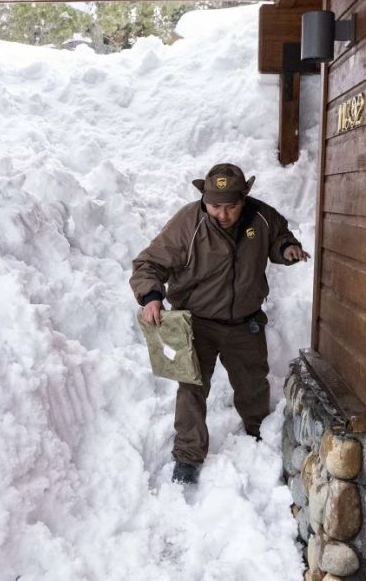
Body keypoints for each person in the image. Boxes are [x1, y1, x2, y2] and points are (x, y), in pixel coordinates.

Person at [130, 163, 310, 484]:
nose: (222, 215)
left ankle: (259, 433)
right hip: (196, 324)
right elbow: (149, 263)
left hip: (244, 323)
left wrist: (287, 249)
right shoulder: (188, 222)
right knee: (192, 389)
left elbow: (279, 238)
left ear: (244, 198)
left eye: (230, 207)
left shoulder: (261, 217)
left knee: (253, 384)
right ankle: (187, 456)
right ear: (204, 200)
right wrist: (152, 296)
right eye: (215, 207)